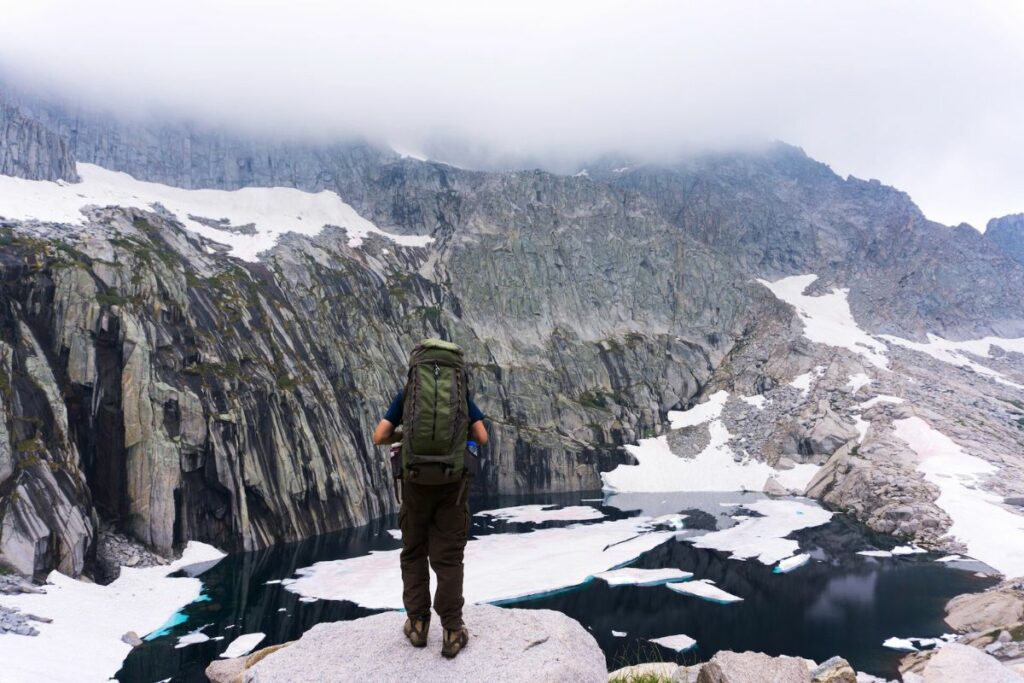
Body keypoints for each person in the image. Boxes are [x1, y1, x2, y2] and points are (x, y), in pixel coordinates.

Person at [372, 346, 488, 659]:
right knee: (448, 560)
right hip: (452, 487)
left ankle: (418, 625)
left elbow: (379, 436)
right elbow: (482, 436)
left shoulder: (408, 395)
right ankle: (452, 632)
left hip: (415, 486)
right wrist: (456, 442)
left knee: (413, 553)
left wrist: (404, 436)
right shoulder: (460, 397)